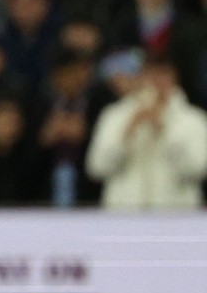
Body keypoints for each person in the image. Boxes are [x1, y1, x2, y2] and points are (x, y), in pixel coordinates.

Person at [85, 54, 207, 209]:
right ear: (140, 77)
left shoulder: (194, 119)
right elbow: (97, 167)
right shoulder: (114, 115)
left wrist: (163, 130)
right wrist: (129, 130)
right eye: (150, 74)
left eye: (162, 74)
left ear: (174, 77)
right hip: (123, 217)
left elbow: (197, 169)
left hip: (176, 218)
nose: (156, 81)